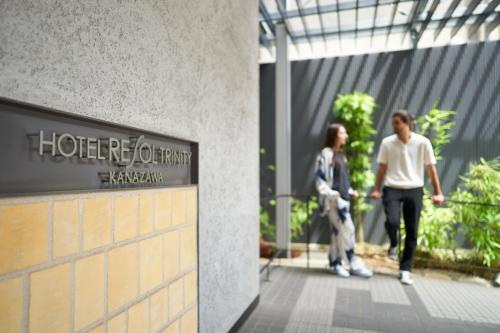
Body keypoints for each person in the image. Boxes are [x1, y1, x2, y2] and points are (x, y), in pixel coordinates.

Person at [370, 110, 444, 285]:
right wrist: (376, 189)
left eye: (397, 123)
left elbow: (431, 169)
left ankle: (405, 269)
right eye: (393, 123)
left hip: (414, 188)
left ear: (407, 123)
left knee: (412, 230)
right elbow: (381, 168)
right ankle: (394, 243)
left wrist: (438, 192)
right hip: (392, 188)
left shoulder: (423, 142)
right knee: (393, 221)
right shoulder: (387, 143)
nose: (394, 126)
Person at [315, 123, 373, 278]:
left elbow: (342, 179)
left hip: (344, 199)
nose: (346, 135)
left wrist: (349, 191)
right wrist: (331, 194)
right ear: (334, 135)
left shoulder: (341, 154)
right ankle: (352, 263)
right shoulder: (326, 154)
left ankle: (335, 263)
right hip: (335, 201)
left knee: (337, 233)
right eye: (342, 133)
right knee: (348, 229)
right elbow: (320, 179)